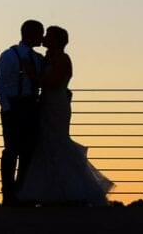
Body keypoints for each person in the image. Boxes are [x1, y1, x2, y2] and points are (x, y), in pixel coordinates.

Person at [16, 25, 114, 206]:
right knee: (47, 143)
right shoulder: (49, 57)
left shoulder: (63, 59)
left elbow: (52, 83)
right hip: (47, 104)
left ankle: (74, 190)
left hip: (56, 105)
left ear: (57, 40)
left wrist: (31, 74)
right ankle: (55, 191)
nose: (44, 37)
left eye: (48, 35)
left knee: (58, 141)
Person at [0, 19, 45, 206]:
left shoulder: (37, 59)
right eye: (40, 33)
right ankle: (9, 193)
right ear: (31, 34)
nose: (43, 37)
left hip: (31, 107)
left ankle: (22, 192)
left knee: (28, 152)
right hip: (14, 107)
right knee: (11, 150)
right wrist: (7, 107)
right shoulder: (9, 56)